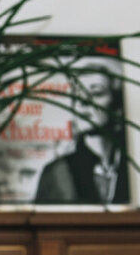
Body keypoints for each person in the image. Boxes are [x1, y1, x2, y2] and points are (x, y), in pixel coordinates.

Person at [36, 58, 129, 204]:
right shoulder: (57, 173)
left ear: (118, 106)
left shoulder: (130, 166)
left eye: (96, 92)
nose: (82, 101)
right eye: (77, 94)